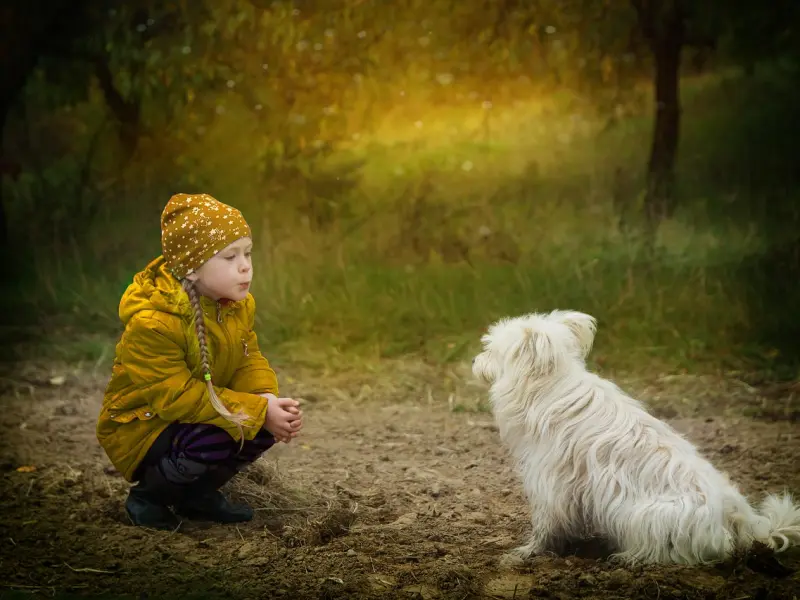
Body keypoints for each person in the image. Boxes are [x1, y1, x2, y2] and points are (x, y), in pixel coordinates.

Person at [97, 192, 303, 530]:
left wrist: (266, 400)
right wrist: (255, 411)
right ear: (191, 268)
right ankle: (149, 495)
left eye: (248, 253)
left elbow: (248, 358)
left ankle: (196, 495)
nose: (245, 265)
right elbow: (177, 398)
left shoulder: (235, 305)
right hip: (145, 427)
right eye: (229, 256)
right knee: (223, 433)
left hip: (196, 414)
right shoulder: (154, 324)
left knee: (261, 429)